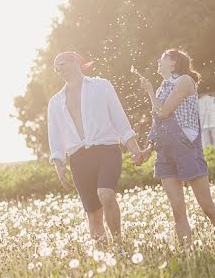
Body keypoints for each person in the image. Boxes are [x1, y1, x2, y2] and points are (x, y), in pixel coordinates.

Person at [47, 51, 146, 246]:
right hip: (79, 158)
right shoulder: (55, 102)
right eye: (57, 68)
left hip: (106, 150)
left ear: (76, 61)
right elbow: (55, 135)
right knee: (92, 213)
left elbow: (120, 120)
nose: (60, 70)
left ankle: (119, 244)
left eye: (63, 64)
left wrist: (134, 148)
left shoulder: (102, 86)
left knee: (106, 194)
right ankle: (103, 256)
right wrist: (58, 164)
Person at [136, 48, 215, 245]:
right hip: (165, 153)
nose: (158, 62)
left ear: (173, 63)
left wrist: (149, 92)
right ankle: (188, 256)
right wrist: (148, 147)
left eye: (162, 59)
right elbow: (158, 123)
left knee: (207, 207)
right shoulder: (163, 87)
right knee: (178, 211)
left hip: (186, 148)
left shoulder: (184, 81)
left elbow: (163, 111)